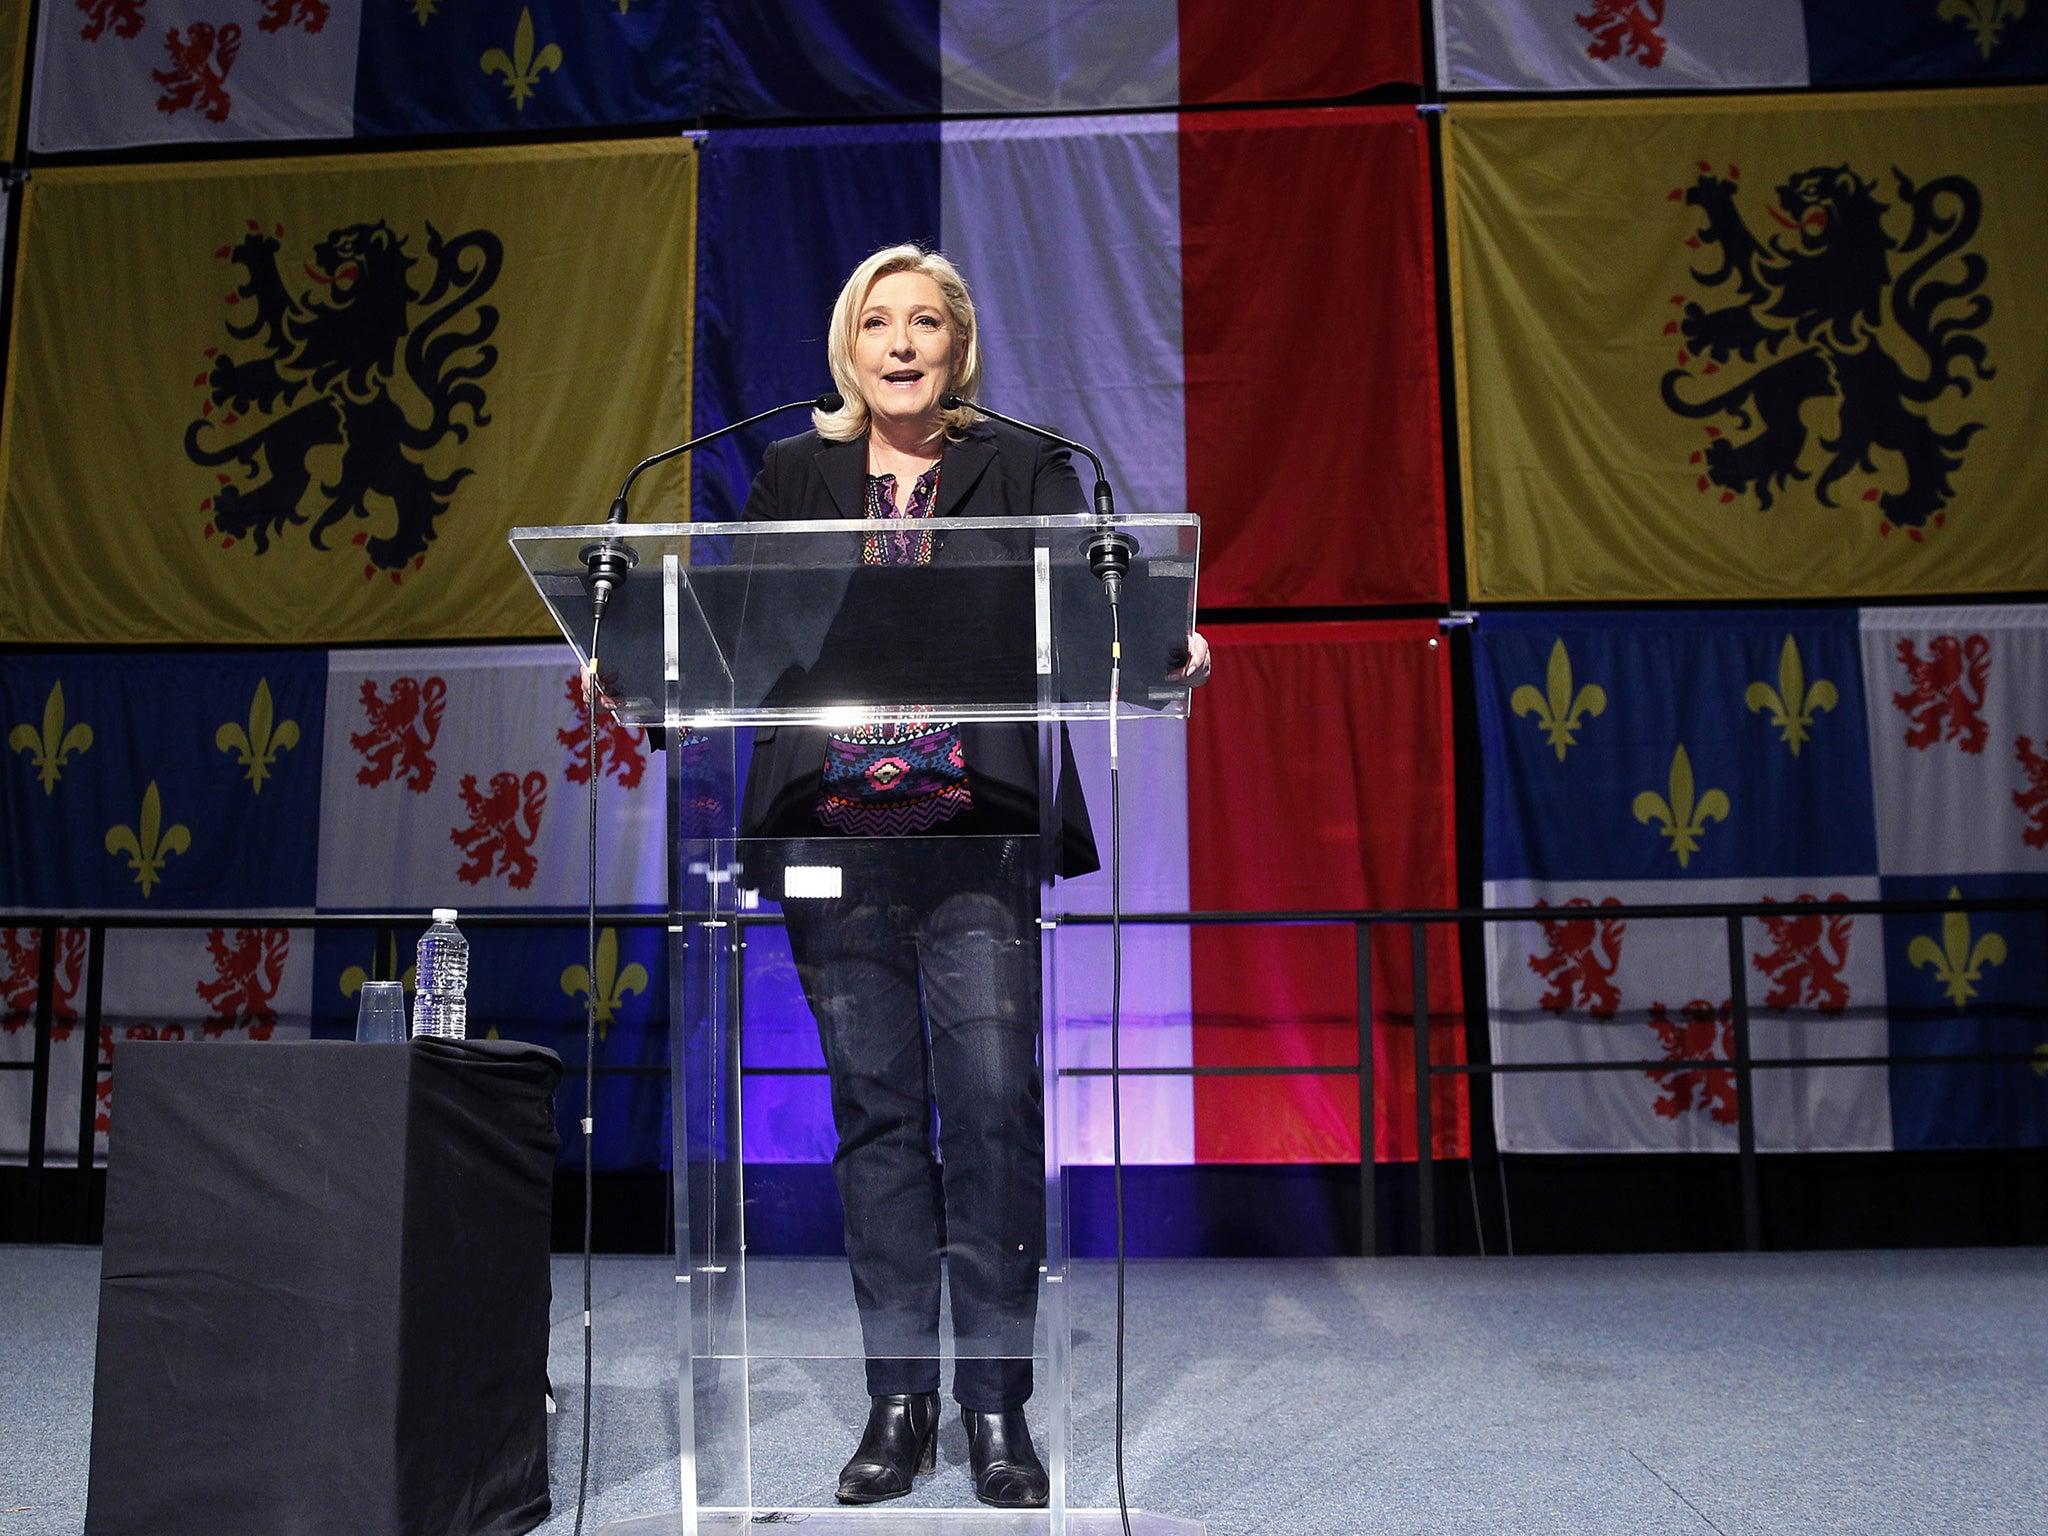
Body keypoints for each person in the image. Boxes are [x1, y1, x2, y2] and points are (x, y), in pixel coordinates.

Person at [738, 244, 1209, 1509]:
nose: (901, 344)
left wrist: (1165, 644)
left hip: (976, 827)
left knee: (994, 1110)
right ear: (848, 348)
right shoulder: (792, 473)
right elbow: (738, 644)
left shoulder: (1029, 469)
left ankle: (995, 1406)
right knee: (876, 1117)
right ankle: (896, 1404)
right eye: (877, 323)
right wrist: (626, 660)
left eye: (926, 323)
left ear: (959, 346)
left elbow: (1093, 614)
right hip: (831, 835)